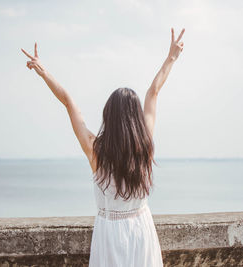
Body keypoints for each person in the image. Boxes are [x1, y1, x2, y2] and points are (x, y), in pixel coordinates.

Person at [21, 27, 185, 267]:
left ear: (108, 115)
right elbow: (153, 92)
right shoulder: (144, 144)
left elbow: (69, 102)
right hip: (141, 229)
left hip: (109, 233)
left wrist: (44, 72)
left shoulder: (96, 150)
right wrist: (171, 57)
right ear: (136, 118)